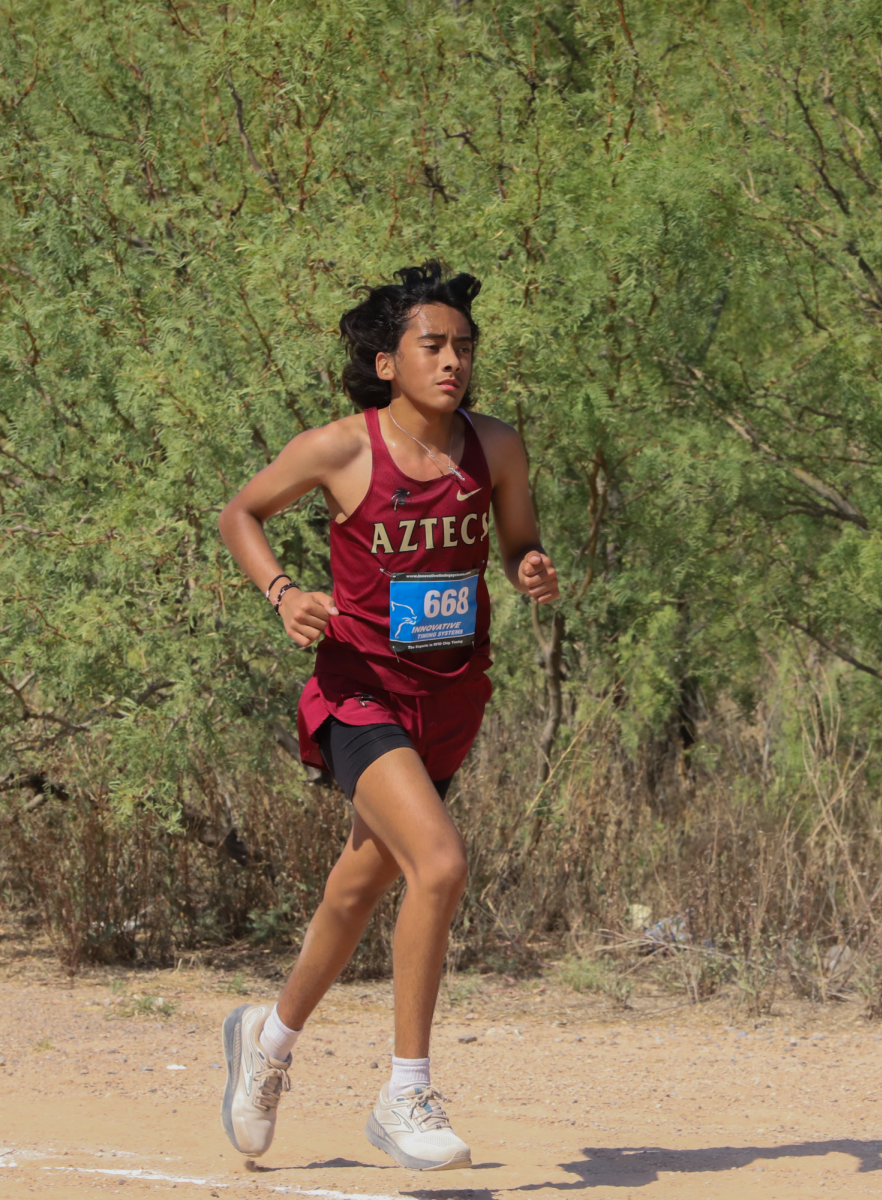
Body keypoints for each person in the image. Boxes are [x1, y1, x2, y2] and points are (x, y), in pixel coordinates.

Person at [216, 262, 559, 1171]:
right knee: (438, 865)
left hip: (450, 696)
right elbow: (240, 513)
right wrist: (282, 590)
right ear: (384, 363)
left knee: (358, 886)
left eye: (464, 348)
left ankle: (268, 1043)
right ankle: (406, 1090)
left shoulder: (496, 445)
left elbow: (520, 537)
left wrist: (527, 568)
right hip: (358, 692)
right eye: (432, 345)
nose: (453, 361)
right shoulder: (340, 449)